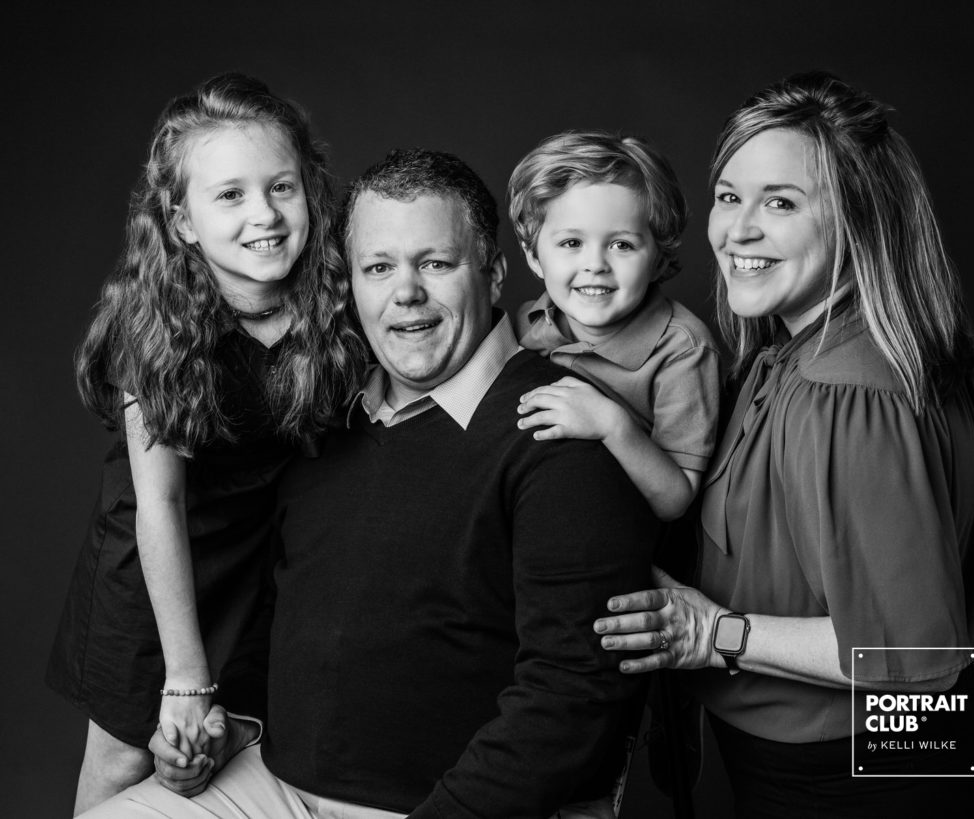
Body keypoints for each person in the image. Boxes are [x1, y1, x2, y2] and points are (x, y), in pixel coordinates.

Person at [80, 148, 660, 819]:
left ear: (494, 273)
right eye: (378, 267)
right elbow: (283, 615)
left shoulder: (561, 430)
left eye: (435, 264)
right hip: (272, 785)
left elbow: (572, 698)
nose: (405, 293)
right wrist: (229, 724)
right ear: (351, 284)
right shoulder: (325, 415)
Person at [593, 72, 974, 816]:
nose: (737, 229)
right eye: (729, 195)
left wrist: (714, 632)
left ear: (858, 220)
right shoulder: (803, 350)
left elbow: (913, 664)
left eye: (780, 202)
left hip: (850, 775)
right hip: (870, 759)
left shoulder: (851, 391)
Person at [46, 73, 365, 814]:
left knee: (235, 759)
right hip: (153, 562)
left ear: (310, 192)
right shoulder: (154, 323)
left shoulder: (338, 300)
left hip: (262, 562)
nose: (265, 214)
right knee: (129, 754)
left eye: (281, 187)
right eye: (230, 196)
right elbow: (157, 499)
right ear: (183, 222)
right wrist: (185, 677)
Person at [509, 131, 720, 522]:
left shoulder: (683, 351)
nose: (596, 264)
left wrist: (612, 425)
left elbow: (676, 499)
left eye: (621, 245)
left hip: (624, 545)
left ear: (658, 259)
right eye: (571, 243)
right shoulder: (525, 323)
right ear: (534, 257)